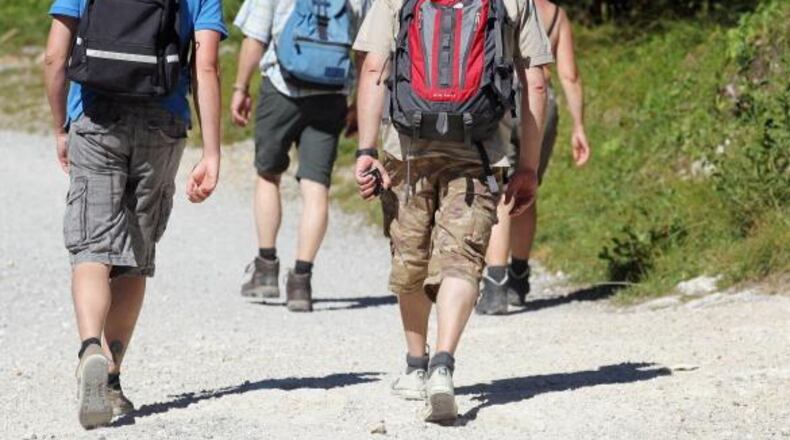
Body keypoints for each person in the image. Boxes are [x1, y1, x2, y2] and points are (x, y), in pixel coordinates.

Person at [352, 0, 552, 423]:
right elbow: (535, 80)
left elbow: (374, 69)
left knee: (411, 257)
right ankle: (444, 363)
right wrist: (529, 166)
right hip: (481, 148)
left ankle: (414, 367)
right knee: (462, 260)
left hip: (405, 149)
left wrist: (366, 150)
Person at [44, 0, 226, 429]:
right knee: (134, 256)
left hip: (95, 113)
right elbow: (208, 65)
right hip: (163, 122)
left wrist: (59, 127)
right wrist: (213, 152)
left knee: (93, 246)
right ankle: (111, 378)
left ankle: (90, 346)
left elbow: (55, 55)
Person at [232, 0, 367, 312]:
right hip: (331, 94)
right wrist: (360, 101)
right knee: (316, 186)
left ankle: (266, 269)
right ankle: (301, 282)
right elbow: (365, 51)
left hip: (281, 89)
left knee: (268, 175)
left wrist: (240, 87)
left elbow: (255, 36)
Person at [476, 0, 592, 315]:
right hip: (543, 105)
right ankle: (519, 275)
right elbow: (570, 75)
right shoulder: (555, 15)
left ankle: (495, 283)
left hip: (499, 99)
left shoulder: (497, 5)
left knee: (499, 189)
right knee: (528, 188)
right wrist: (579, 126)